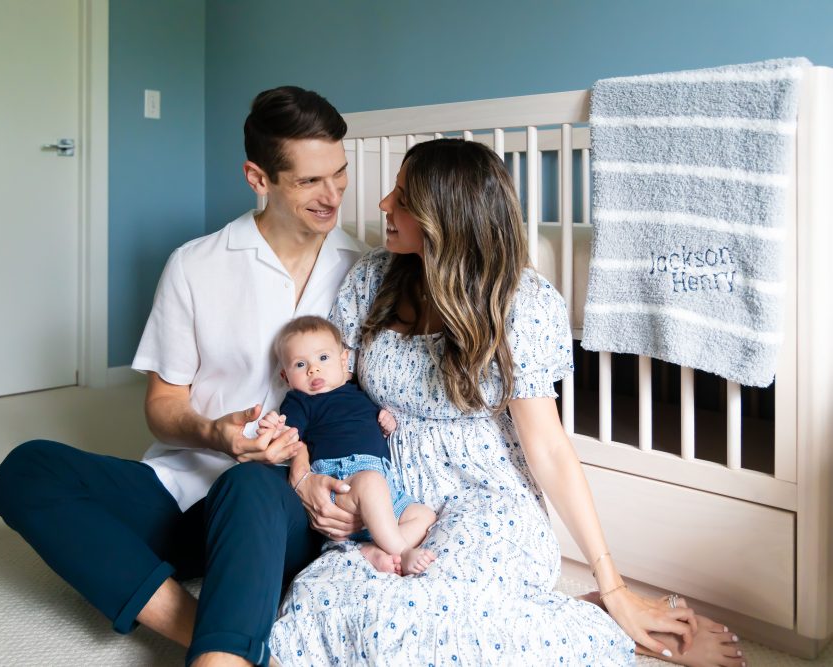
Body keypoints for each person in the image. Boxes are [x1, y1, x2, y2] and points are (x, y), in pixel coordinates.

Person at [268, 138, 745, 667]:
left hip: (485, 495)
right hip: (393, 495)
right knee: (319, 610)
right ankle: (537, 612)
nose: (383, 205)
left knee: (431, 625)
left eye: (401, 197)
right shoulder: (370, 281)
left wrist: (613, 585)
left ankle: (600, 622)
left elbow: (549, 450)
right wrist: (312, 472)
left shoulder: (521, 302)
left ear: (444, 216)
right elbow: (334, 396)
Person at [0, 86, 368, 667]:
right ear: (257, 177)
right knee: (26, 471)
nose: (333, 194)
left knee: (248, 488)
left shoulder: (364, 271)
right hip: (185, 489)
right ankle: (213, 632)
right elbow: (163, 403)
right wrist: (217, 435)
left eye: (339, 174)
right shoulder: (197, 264)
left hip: (288, 506)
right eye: (310, 181)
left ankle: (224, 655)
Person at [259, 315, 437, 576]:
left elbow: (364, 428)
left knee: (424, 515)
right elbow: (289, 435)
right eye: (300, 364)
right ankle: (402, 552)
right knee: (372, 483)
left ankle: (370, 549)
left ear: (343, 361)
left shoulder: (358, 393)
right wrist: (275, 427)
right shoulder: (299, 402)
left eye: (323, 358)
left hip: (383, 484)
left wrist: (385, 424)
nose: (313, 370)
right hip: (342, 480)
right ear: (286, 377)